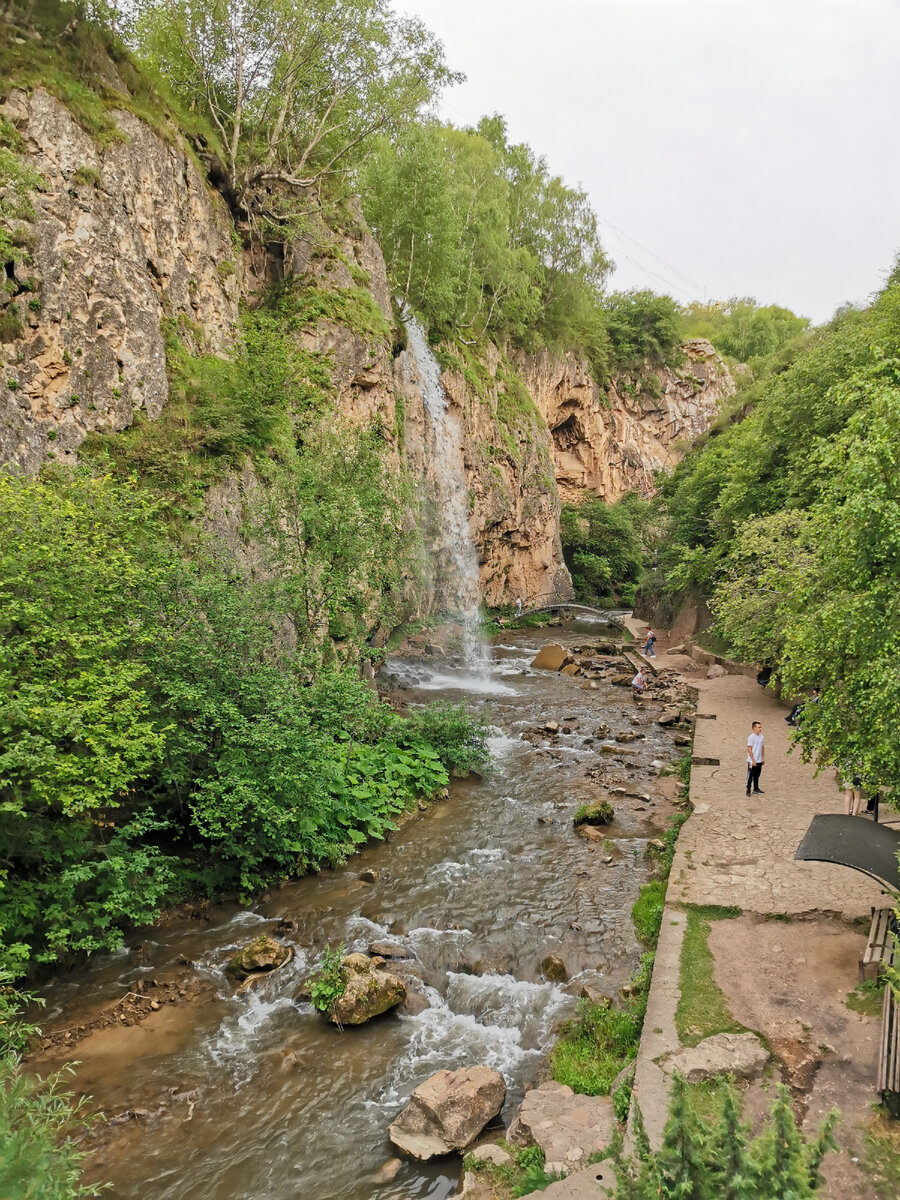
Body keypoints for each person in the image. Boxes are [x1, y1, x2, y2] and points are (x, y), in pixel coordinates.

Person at [746, 721, 765, 796]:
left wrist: (763, 758)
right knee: (750, 775)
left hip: (759, 759)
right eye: (758, 727)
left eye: (760, 727)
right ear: (754, 728)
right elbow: (749, 749)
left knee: (757, 775)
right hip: (752, 760)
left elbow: (762, 747)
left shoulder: (761, 736)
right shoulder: (751, 737)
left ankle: (756, 788)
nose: (760, 729)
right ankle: (748, 790)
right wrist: (753, 760)